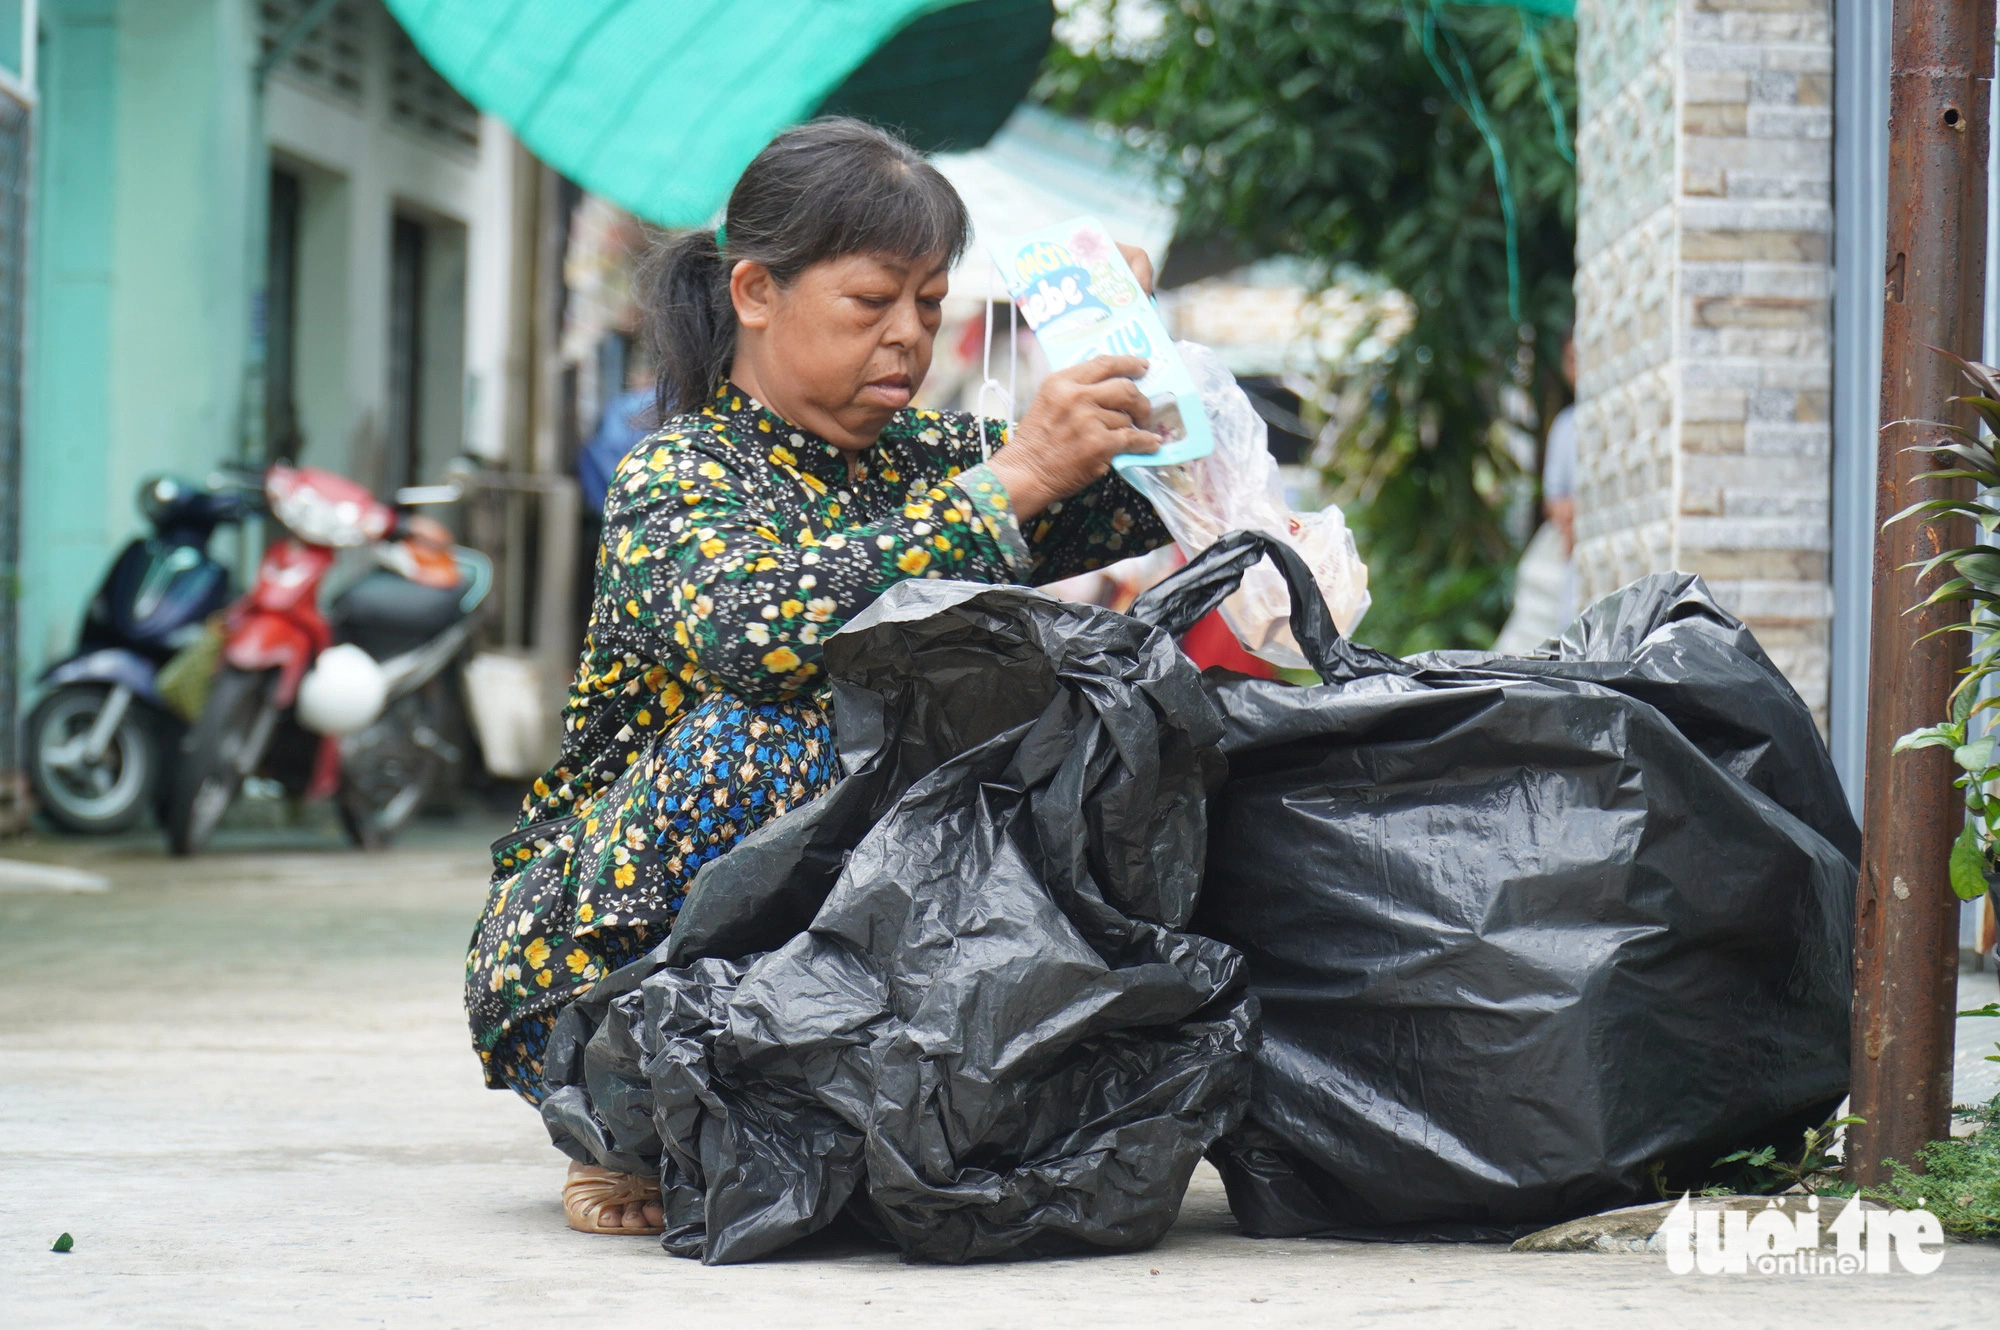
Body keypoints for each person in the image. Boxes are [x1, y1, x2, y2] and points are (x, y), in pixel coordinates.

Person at [462, 118, 1172, 1235]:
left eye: (930, 307)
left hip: (822, 961)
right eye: (871, 301)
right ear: (755, 291)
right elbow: (755, 631)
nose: (907, 339)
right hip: (580, 956)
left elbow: (1135, 495)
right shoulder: (678, 473)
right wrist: (1016, 478)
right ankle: (625, 1110)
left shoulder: (928, 461)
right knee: (776, 734)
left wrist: (1135, 350)